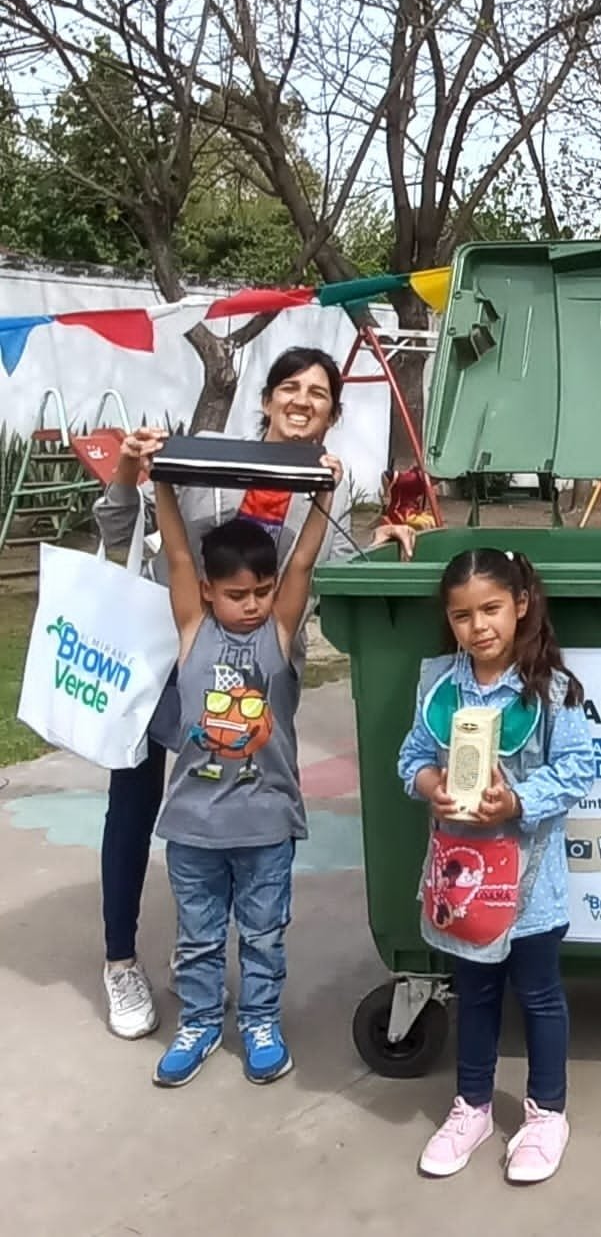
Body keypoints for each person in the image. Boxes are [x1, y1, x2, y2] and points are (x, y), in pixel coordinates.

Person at [93, 347, 417, 1042]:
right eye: (290, 387)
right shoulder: (202, 464)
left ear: (332, 413)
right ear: (266, 400)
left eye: (319, 393)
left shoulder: (322, 486)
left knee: (239, 810)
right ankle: (121, 960)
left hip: (256, 680)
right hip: (169, 658)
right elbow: (125, 531)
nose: (303, 400)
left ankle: (207, 958)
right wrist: (130, 468)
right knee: (136, 802)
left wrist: (381, 542)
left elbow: (319, 567)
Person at [139, 436, 341, 1087]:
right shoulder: (194, 632)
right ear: (208, 592)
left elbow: (302, 564)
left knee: (263, 936)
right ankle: (199, 1023)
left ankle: (260, 1023)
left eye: (261, 591)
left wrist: (324, 497)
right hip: (194, 827)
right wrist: (160, 483)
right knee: (197, 938)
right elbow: (177, 553)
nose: (251, 604)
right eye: (237, 594)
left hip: (266, 825)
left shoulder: (278, 635)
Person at [397, 548, 594, 1184]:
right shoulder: (440, 687)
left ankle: (546, 1114)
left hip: (531, 883)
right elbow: (412, 758)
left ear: (521, 605)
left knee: (539, 995)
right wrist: (431, 785)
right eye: (462, 616)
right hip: (463, 881)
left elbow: (578, 770)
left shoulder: (552, 689)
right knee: (475, 993)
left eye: (491, 609)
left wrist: (517, 801)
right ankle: (473, 1107)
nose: (478, 626)